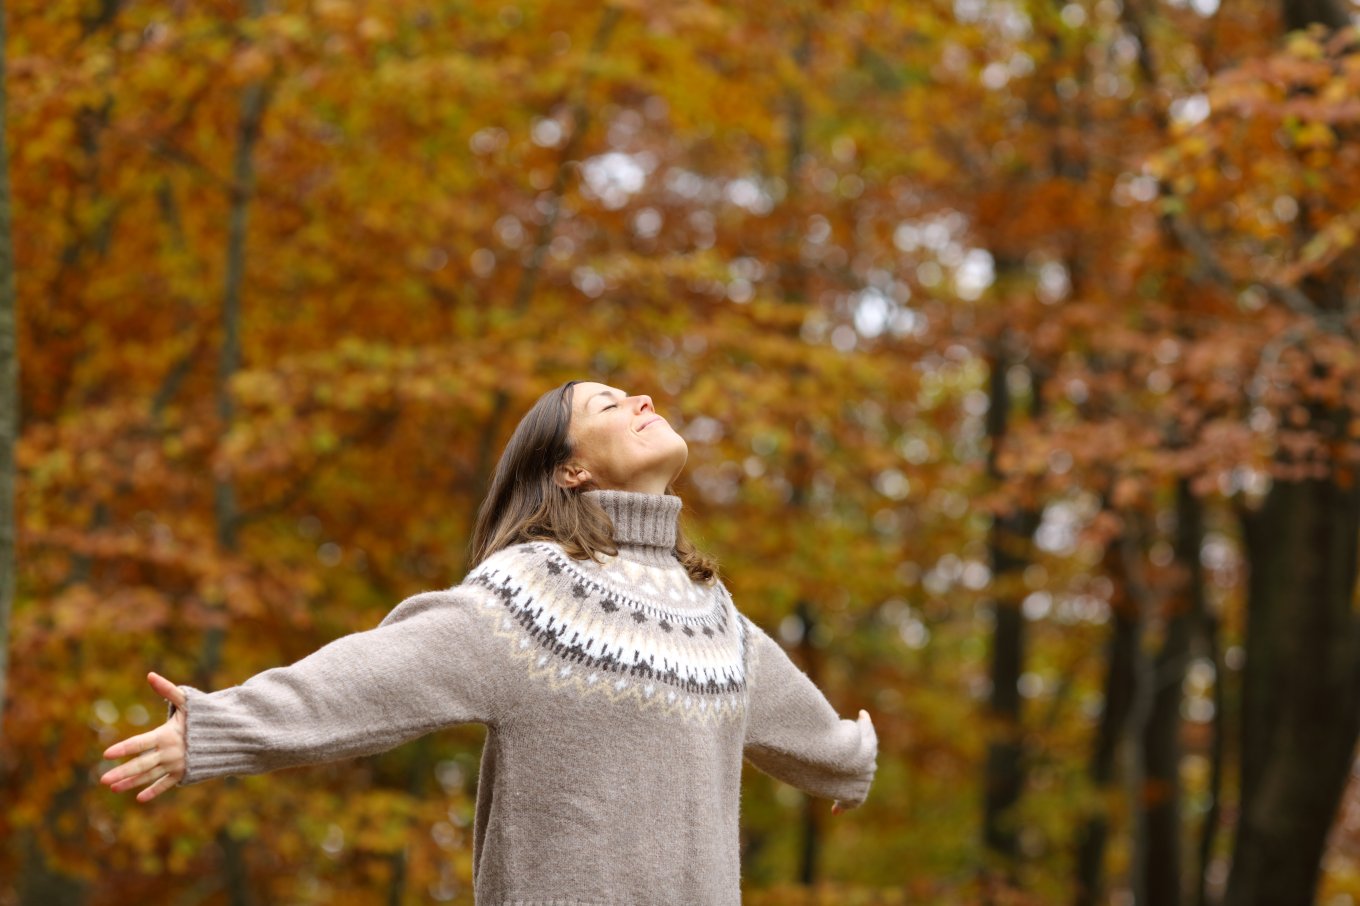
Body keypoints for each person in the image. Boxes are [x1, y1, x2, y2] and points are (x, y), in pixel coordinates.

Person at [100, 380, 879, 905]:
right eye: (609, 405)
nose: (643, 398)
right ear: (570, 468)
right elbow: (373, 673)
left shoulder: (719, 620)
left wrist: (846, 761)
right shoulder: (531, 596)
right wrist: (215, 727)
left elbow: (811, 732)